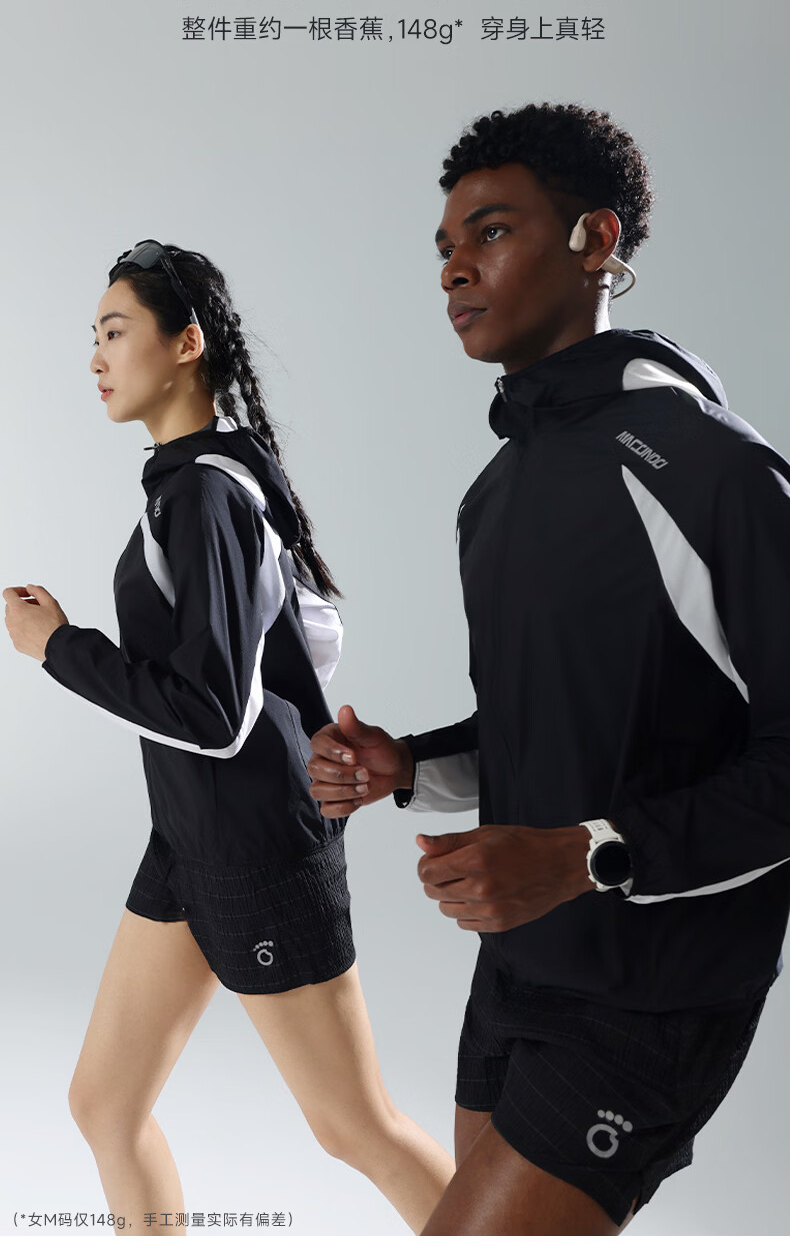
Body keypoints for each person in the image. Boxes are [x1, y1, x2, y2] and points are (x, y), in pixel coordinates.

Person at [307, 103, 790, 1234]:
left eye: (490, 232)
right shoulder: (495, 494)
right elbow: (548, 728)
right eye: (444, 247)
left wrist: (589, 857)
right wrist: (404, 767)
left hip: (655, 989)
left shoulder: (713, 471)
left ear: (595, 239)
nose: (453, 269)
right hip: (517, 966)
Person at [3, 240, 454, 1237]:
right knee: (104, 1104)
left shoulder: (206, 490)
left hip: (254, 845)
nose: (95, 357)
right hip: (191, 834)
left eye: (114, 331)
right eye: (92, 337)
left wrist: (58, 647)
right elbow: (301, 643)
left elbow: (214, 712)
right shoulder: (203, 476)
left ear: (186, 344)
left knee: (355, 1127)